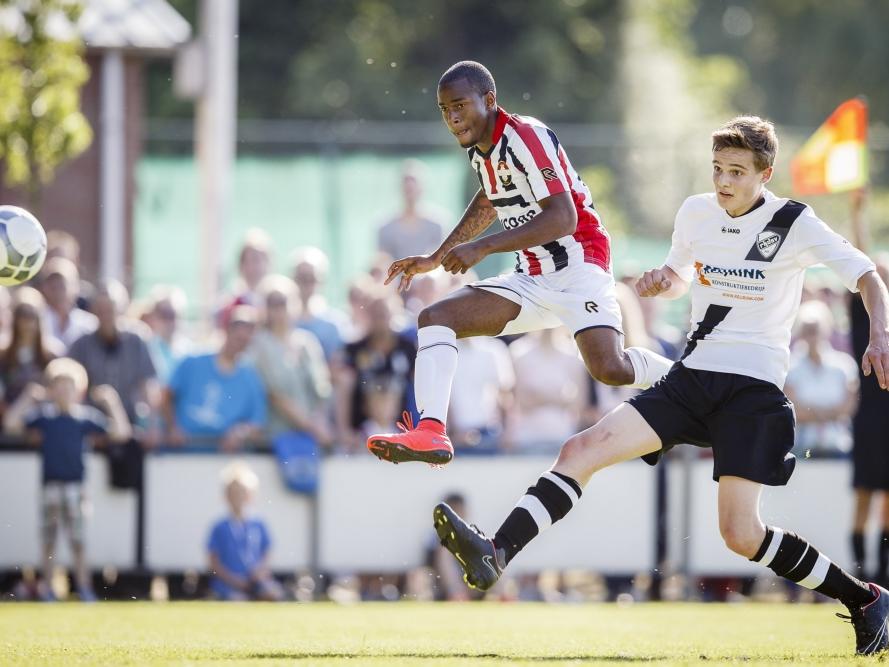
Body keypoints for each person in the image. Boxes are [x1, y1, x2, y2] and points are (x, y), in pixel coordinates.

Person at [432, 116, 889, 656]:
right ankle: (496, 551)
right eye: (718, 168)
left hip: (752, 391)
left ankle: (865, 598)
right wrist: (660, 282)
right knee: (581, 448)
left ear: (765, 174)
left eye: (737, 172)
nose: (723, 181)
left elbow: (867, 276)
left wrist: (879, 333)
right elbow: (679, 275)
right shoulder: (696, 211)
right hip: (691, 379)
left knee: (741, 535)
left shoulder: (794, 222)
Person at [366, 61, 672, 466]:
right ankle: (431, 432)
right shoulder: (481, 150)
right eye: (444, 110)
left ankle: (691, 379)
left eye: (460, 105)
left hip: (580, 266)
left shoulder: (526, 136)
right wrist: (436, 258)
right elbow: (489, 200)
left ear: (489, 100)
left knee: (610, 368)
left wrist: (484, 248)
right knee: (434, 318)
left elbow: (565, 217)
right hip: (532, 274)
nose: (452, 117)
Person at [4, 358, 131, 601]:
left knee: (78, 541)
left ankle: (84, 587)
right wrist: (27, 398)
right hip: (50, 486)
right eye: (58, 386)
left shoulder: (84, 418)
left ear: (78, 390)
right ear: (51, 390)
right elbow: (11, 424)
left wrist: (112, 403)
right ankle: (48, 588)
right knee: (49, 541)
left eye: (69, 386)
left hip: (76, 487)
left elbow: (122, 433)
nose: (63, 392)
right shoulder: (44, 417)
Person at [162, 305, 267, 450]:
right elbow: (166, 397)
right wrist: (172, 426)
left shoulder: (250, 378)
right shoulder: (192, 362)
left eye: (246, 338)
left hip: (220, 458)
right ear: (227, 330)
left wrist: (241, 432)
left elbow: (256, 423)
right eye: (238, 335)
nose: (241, 342)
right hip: (182, 453)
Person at [249, 275, 332, 444]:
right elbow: (273, 394)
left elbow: (322, 389)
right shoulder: (258, 344)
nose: (278, 308)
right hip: (275, 437)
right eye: (272, 303)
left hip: (311, 436)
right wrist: (310, 426)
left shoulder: (307, 341)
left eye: (283, 302)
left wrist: (319, 423)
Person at [785, 300, 858, 458]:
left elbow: (849, 407)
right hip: (801, 448)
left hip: (839, 445)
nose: (813, 336)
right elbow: (792, 410)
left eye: (816, 329)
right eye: (808, 330)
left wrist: (813, 414)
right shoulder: (789, 367)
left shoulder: (844, 365)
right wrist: (830, 414)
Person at [206, 461, 285, 601]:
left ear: (251, 495)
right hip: (229, 582)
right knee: (237, 599)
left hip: (255, 579)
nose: (238, 497)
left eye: (242, 492)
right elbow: (213, 562)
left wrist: (260, 573)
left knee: (273, 593)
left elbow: (267, 553)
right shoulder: (220, 526)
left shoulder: (258, 524)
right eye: (234, 493)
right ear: (226, 496)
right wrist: (233, 579)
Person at [0, 289, 60, 411]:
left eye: (32, 315)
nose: (27, 322)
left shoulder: (52, 354)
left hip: (42, 419)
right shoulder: (3, 353)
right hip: (8, 419)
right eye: (22, 314)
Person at [377, 160, 445, 261]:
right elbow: (382, 262)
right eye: (406, 184)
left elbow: (442, 260)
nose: (409, 188)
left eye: (413, 184)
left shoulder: (438, 223)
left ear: (422, 188)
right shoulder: (385, 226)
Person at [40, 257, 97, 352]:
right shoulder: (35, 321)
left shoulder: (90, 326)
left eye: (62, 284)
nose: (57, 289)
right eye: (52, 283)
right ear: (44, 287)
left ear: (76, 287)